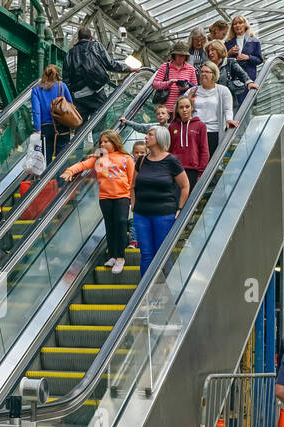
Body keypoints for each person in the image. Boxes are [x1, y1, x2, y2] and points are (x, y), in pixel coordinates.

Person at [62, 129, 136, 275]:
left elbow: (132, 180)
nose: (102, 144)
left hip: (122, 196)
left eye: (106, 141)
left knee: (121, 223)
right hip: (105, 197)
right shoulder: (98, 158)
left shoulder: (126, 158)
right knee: (110, 226)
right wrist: (70, 171)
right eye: (101, 142)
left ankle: (121, 257)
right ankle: (112, 256)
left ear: (114, 142)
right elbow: (82, 165)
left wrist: (132, 198)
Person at [129, 126, 190, 262]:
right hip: (141, 214)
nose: (146, 137)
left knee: (162, 255)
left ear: (160, 138)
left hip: (164, 214)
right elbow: (133, 185)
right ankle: (147, 284)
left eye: (150, 135)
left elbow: (185, 185)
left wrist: (180, 208)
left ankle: (164, 283)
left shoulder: (171, 161)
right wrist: (133, 203)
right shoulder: (141, 161)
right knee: (146, 255)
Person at [64, 26, 128, 123]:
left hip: (78, 97)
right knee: (100, 121)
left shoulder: (69, 53)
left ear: (78, 38)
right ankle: (98, 138)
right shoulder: (96, 46)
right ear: (91, 38)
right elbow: (110, 65)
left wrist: (70, 98)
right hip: (96, 92)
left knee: (79, 126)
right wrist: (129, 69)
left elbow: (66, 78)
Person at [186, 61, 235, 156]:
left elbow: (227, 109)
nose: (203, 74)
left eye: (207, 72)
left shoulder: (223, 90)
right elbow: (181, 107)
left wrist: (229, 120)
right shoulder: (193, 90)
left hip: (213, 132)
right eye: (202, 72)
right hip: (194, 131)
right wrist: (188, 98)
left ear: (214, 74)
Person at [165, 94, 209, 190]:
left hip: (192, 170)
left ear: (192, 108)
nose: (184, 110)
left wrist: (201, 171)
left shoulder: (200, 126)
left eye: (187, 107)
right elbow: (168, 149)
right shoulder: (172, 127)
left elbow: (204, 150)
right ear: (177, 110)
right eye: (181, 107)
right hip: (175, 169)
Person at [31, 64, 72, 164]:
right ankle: (61, 178)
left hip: (45, 127)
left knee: (46, 156)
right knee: (62, 155)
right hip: (62, 125)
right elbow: (70, 104)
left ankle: (47, 178)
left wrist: (38, 130)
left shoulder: (36, 90)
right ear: (57, 74)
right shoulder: (62, 86)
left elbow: (36, 111)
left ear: (44, 74)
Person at [206, 40, 257, 112]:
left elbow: (242, 74)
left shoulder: (230, 62)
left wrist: (249, 82)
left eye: (212, 50)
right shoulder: (207, 66)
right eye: (208, 51)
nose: (210, 53)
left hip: (230, 104)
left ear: (219, 50)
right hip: (212, 105)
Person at [150, 40, 198, 107]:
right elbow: (154, 84)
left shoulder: (191, 69)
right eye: (179, 55)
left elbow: (195, 89)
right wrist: (168, 83)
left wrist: (186, 87)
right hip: (165, 109)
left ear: (186, 56)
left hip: (181, 109)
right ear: (174, 55)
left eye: (183, 55)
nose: (181, 58)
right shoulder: (165, 66)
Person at [224, 15, 264, 80]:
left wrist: (248, 57)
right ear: (232, 27)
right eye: (235, 24)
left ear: (245, 25)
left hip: (249, 76)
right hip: (233, 78)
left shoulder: (254, 41)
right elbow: (221, 60)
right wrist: (229, 53)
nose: (237, 25)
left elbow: (259, 60)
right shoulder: (228, 42)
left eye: (240, 23)